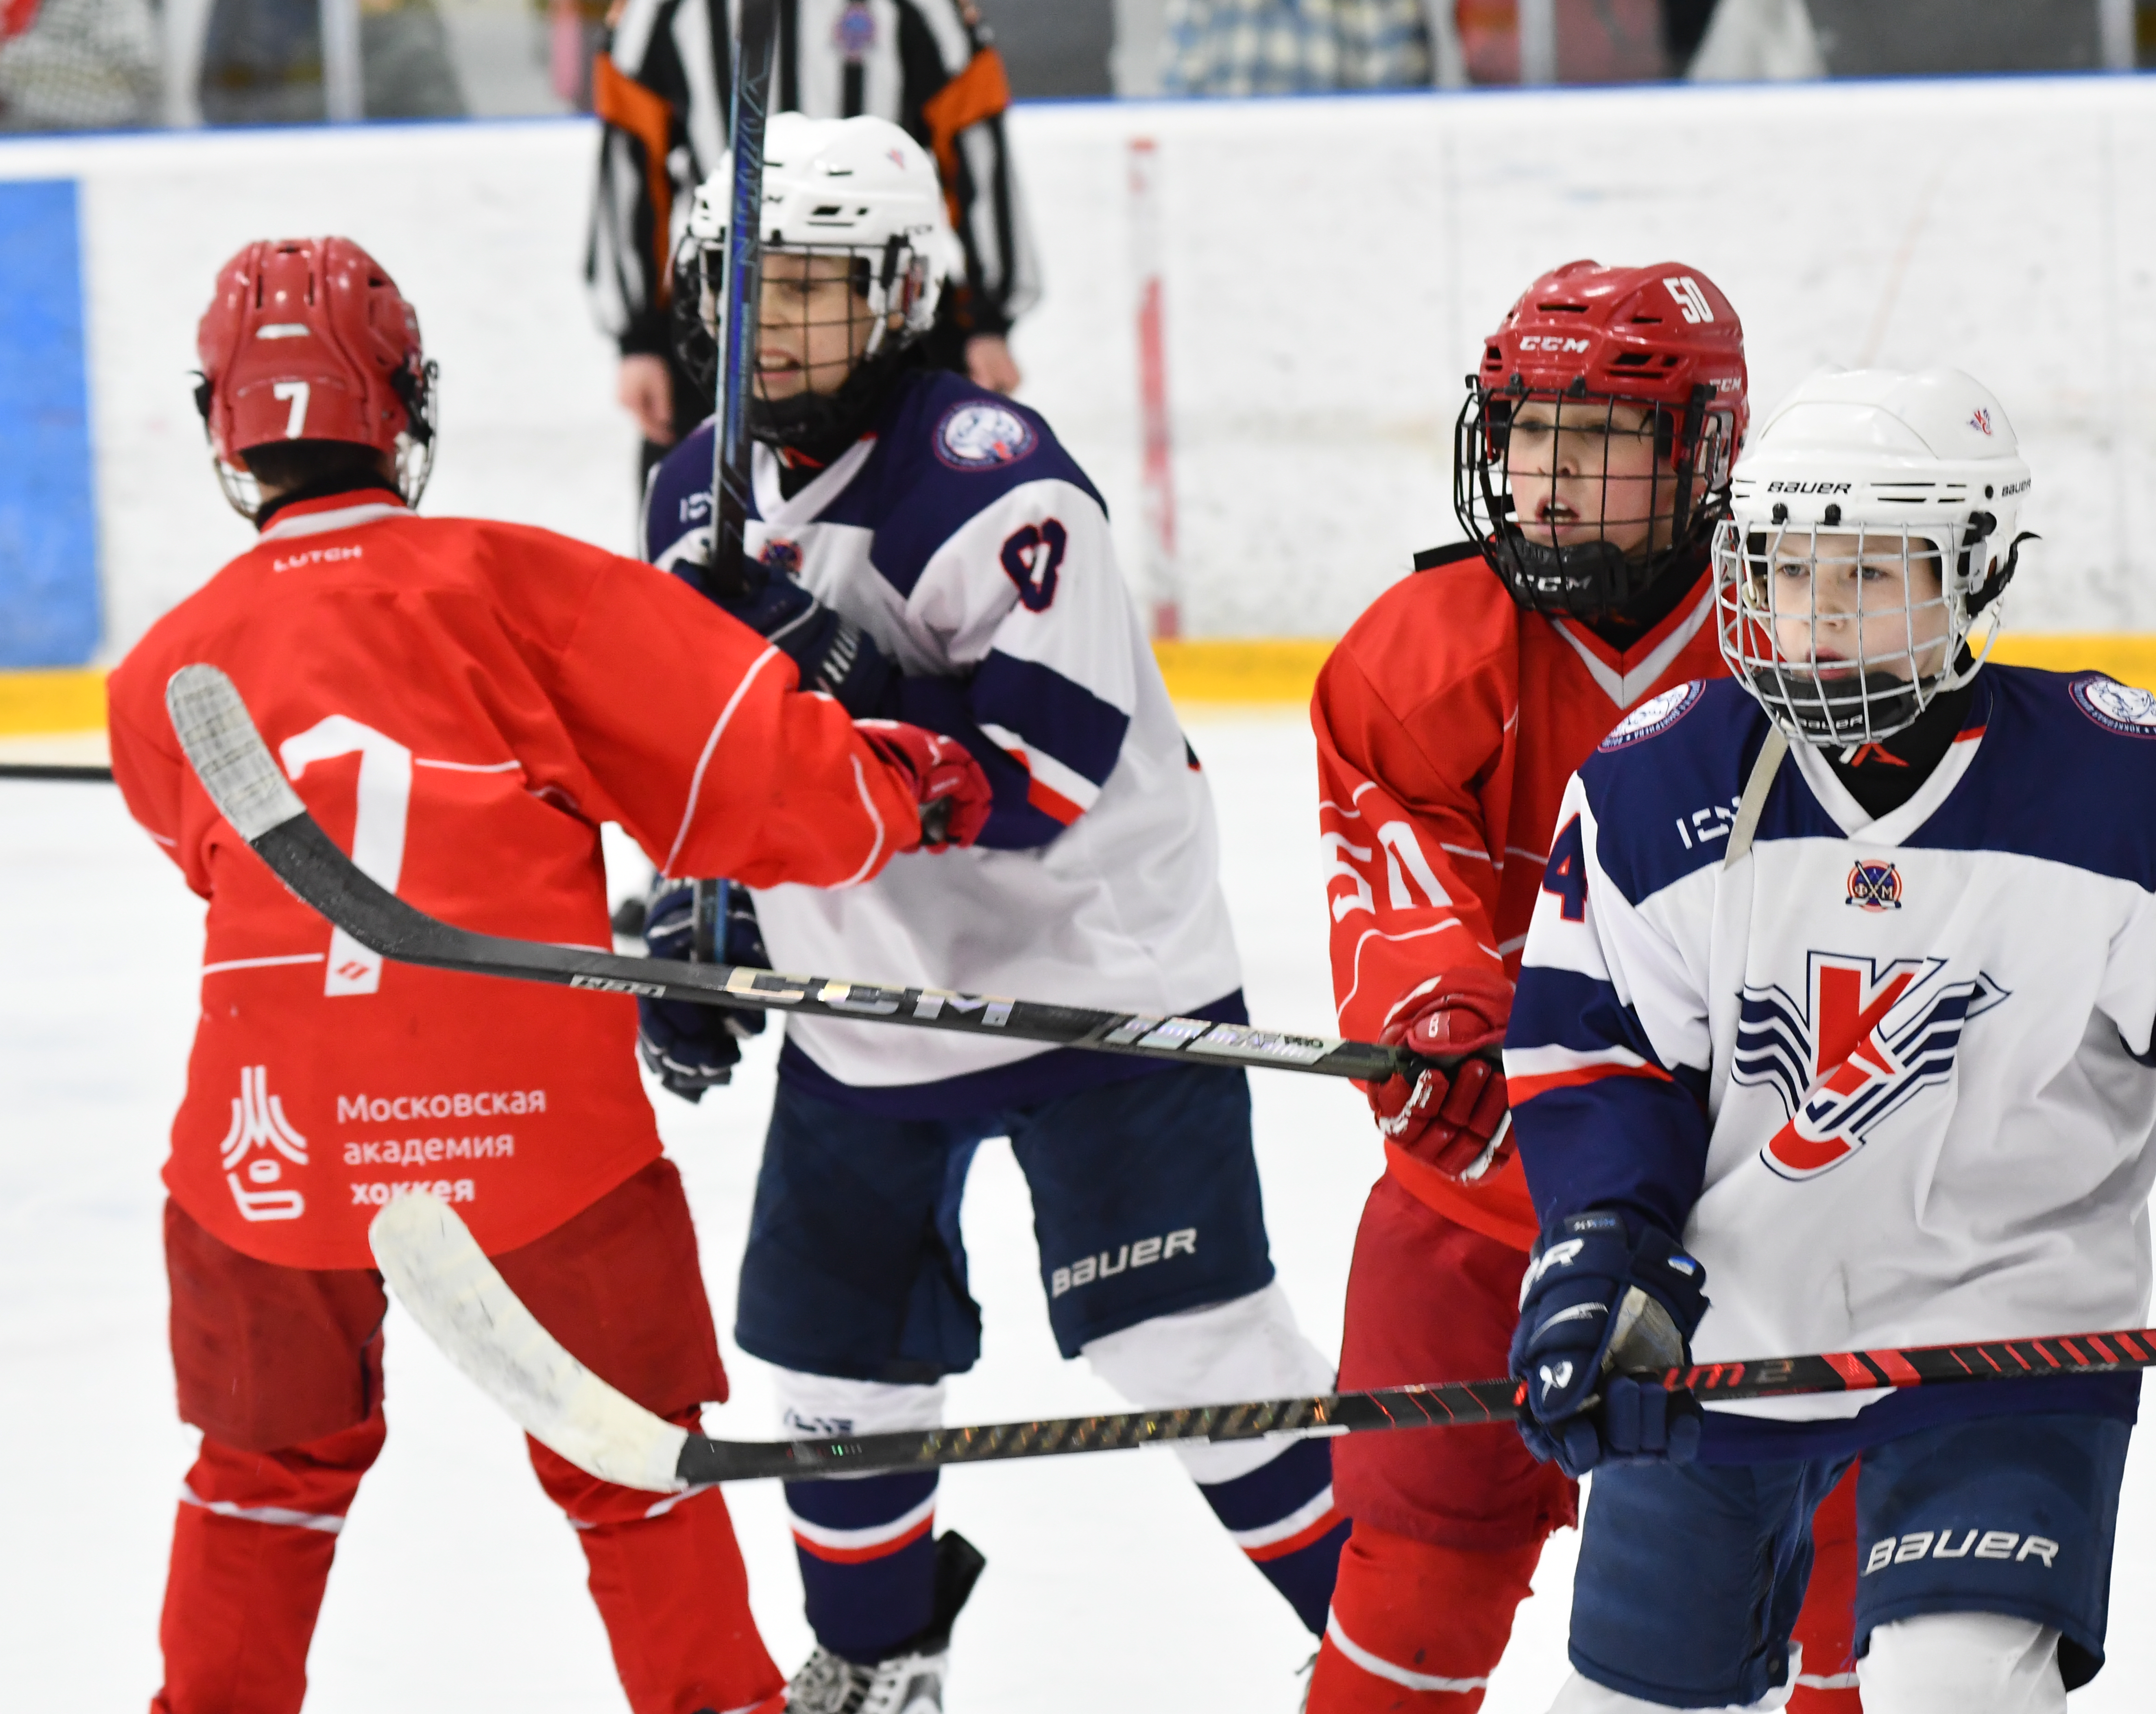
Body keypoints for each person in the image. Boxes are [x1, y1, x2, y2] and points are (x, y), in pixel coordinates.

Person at [1502, 365, 2156, 1712]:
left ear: (1972, 570)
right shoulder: (1651, 784)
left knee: (1955, 1686)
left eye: (1865, 575)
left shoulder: (2118, 785)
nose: (1813, 618)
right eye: (1786, 571)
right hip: (1728, 1320)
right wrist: (1597, 1248)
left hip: (2011, 1325)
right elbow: (1601, 1058)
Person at [108, 235, 989, 1714]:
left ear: (223, 423)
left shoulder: (156, 673)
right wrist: (911, 776)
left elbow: (209, 850)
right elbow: (763, 790)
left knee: (263, 1479)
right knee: (631, 1474)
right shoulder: (515, 585)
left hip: (265, 1160)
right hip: (532, 1136)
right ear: (404, 405)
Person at [634, 112, 1345, 1714]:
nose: (782, 320)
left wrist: (828, 669)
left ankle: (1390, 1648)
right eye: (752, 284)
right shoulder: (690, 490)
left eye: (818, 286)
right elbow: (702, 761)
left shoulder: (997, 482)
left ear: (900, 296)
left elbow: (1037, 770)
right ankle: (883, 1662)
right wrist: (712, 913)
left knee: (1188, 1358)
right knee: (826, 1373)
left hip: (1092, 978)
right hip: (869, 999)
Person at [1307, 259, 1859, 1714]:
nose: (1547, 480)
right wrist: (1433, 1030)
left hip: (1768, 1232)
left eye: (1600, 443)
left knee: (1840, 1616)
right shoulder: (1417, 657)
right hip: (1481, 1215)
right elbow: (1402, 911)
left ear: (1704, 455)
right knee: (1411, 1592)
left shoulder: (1815, 651)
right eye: (1527, 434)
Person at [588, 0, 1039, 483]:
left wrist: (988, 321)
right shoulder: (659, 10)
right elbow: (629, 158)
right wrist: (640, 341)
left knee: (919, 515)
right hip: (726, 307)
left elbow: (973, 138)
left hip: (881, 309)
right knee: (692, 522)